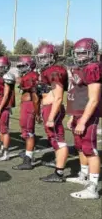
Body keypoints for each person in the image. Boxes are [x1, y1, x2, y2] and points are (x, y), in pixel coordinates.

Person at [66, 38, 101, 199]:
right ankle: (83, 175)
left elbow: (93, 99)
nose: (79, 56)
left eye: (83, 53)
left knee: (90, 149)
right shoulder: (81, 68)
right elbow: (77, 94)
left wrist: (83, 120)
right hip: (78, 113)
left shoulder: (93, 68)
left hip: (87, 116)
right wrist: (73, 116)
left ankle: (92, 188)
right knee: (80, 147)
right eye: (78, 53)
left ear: (92, 53)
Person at [35, 44, 69, 182]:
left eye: (45, 57)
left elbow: (59, 97)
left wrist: (50, 117)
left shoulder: (55, 71)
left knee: (58, 139)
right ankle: (57, 162)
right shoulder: (48, 70)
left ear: (52, 57)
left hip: (53, 109)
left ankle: (59, 173)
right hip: (48, 107)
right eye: (40, 57)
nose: (42, 60)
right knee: (53, 139)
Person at [12, 56, 40, 170]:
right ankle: (29, 153)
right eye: (20, 66)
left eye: (23, 65)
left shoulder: (31, 76)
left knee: (28, 132)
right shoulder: (28, 76)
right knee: (26, 131)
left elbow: (35, 96)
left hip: (29, 105)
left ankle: (28, 160)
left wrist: (37, 112)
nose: (21, 68)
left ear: (30, 65)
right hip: (27, 105)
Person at [0, 56, 16, 161]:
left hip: (3, 107)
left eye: (2, 67)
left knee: (4, 130)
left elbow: (6, 96)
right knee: (0, 129)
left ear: (6, 67)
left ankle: (6, 153)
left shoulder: (7, 77)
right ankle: (2, 147)